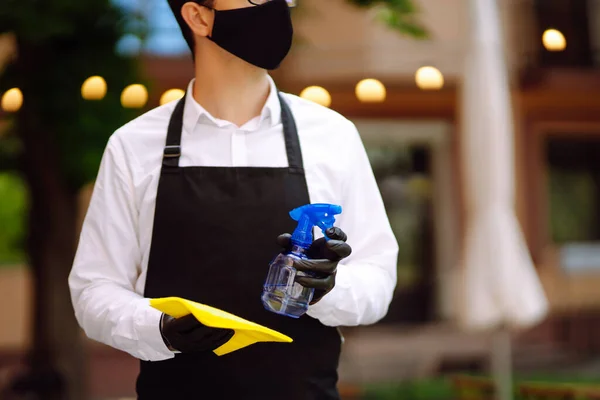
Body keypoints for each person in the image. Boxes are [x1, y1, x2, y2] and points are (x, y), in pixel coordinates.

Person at [68, 0, 399, 398]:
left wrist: (328, 287)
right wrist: (159, 328)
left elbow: (378, 280)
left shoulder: (332, 136)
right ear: (198, 17)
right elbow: (94, 290)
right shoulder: (134, 146)